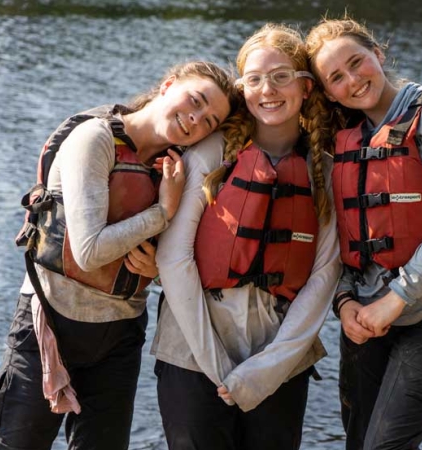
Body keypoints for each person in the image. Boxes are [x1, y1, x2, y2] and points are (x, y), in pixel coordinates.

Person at [0, 61, 237, 450]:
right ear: (168, 84)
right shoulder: (95, 139)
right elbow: (88, 252)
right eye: (196, 100)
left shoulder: (176, 170)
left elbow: (177, 258)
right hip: (51, 322)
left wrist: (156, 270)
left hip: (119, 335)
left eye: (209, 120)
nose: (196, 118)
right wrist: (162, 213)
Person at [145, 23, 341, 450]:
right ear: (242, 89)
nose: (267, 90)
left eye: (281, 76)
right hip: (193, 352)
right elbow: (174, 259)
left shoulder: (322, 170)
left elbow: (324, 275)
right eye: (254, 79)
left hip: (280, 359)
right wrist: (216, 365)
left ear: (306, 87)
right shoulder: (210, 154)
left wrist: (268, 369)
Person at [305, 17, 422, 450]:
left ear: (379, 53)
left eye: (358, 62)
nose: (353, 80)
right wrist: (345, 300)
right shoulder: (341, 139)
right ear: (327, 91)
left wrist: (397, 299)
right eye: (336, 77)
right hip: (367, 313)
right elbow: (338, 236)